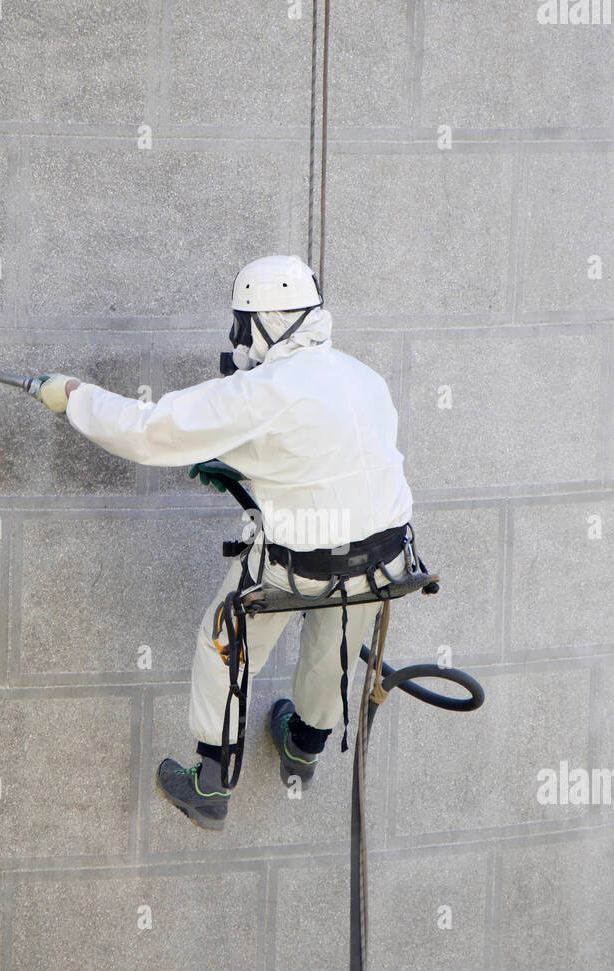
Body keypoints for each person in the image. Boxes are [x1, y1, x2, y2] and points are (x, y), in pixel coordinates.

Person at [32, 254, 414, 831]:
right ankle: (303, 748)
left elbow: (147, 430)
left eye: (241, 324)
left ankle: (210, 784)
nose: (238, 338)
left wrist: (75, 396)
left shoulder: (263, 390)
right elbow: (324, 455)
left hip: (300, 562)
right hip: (386, 556)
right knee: (338, 629)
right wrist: (237, 465)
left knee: (225, 641)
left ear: (263, 320)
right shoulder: (363, 376)